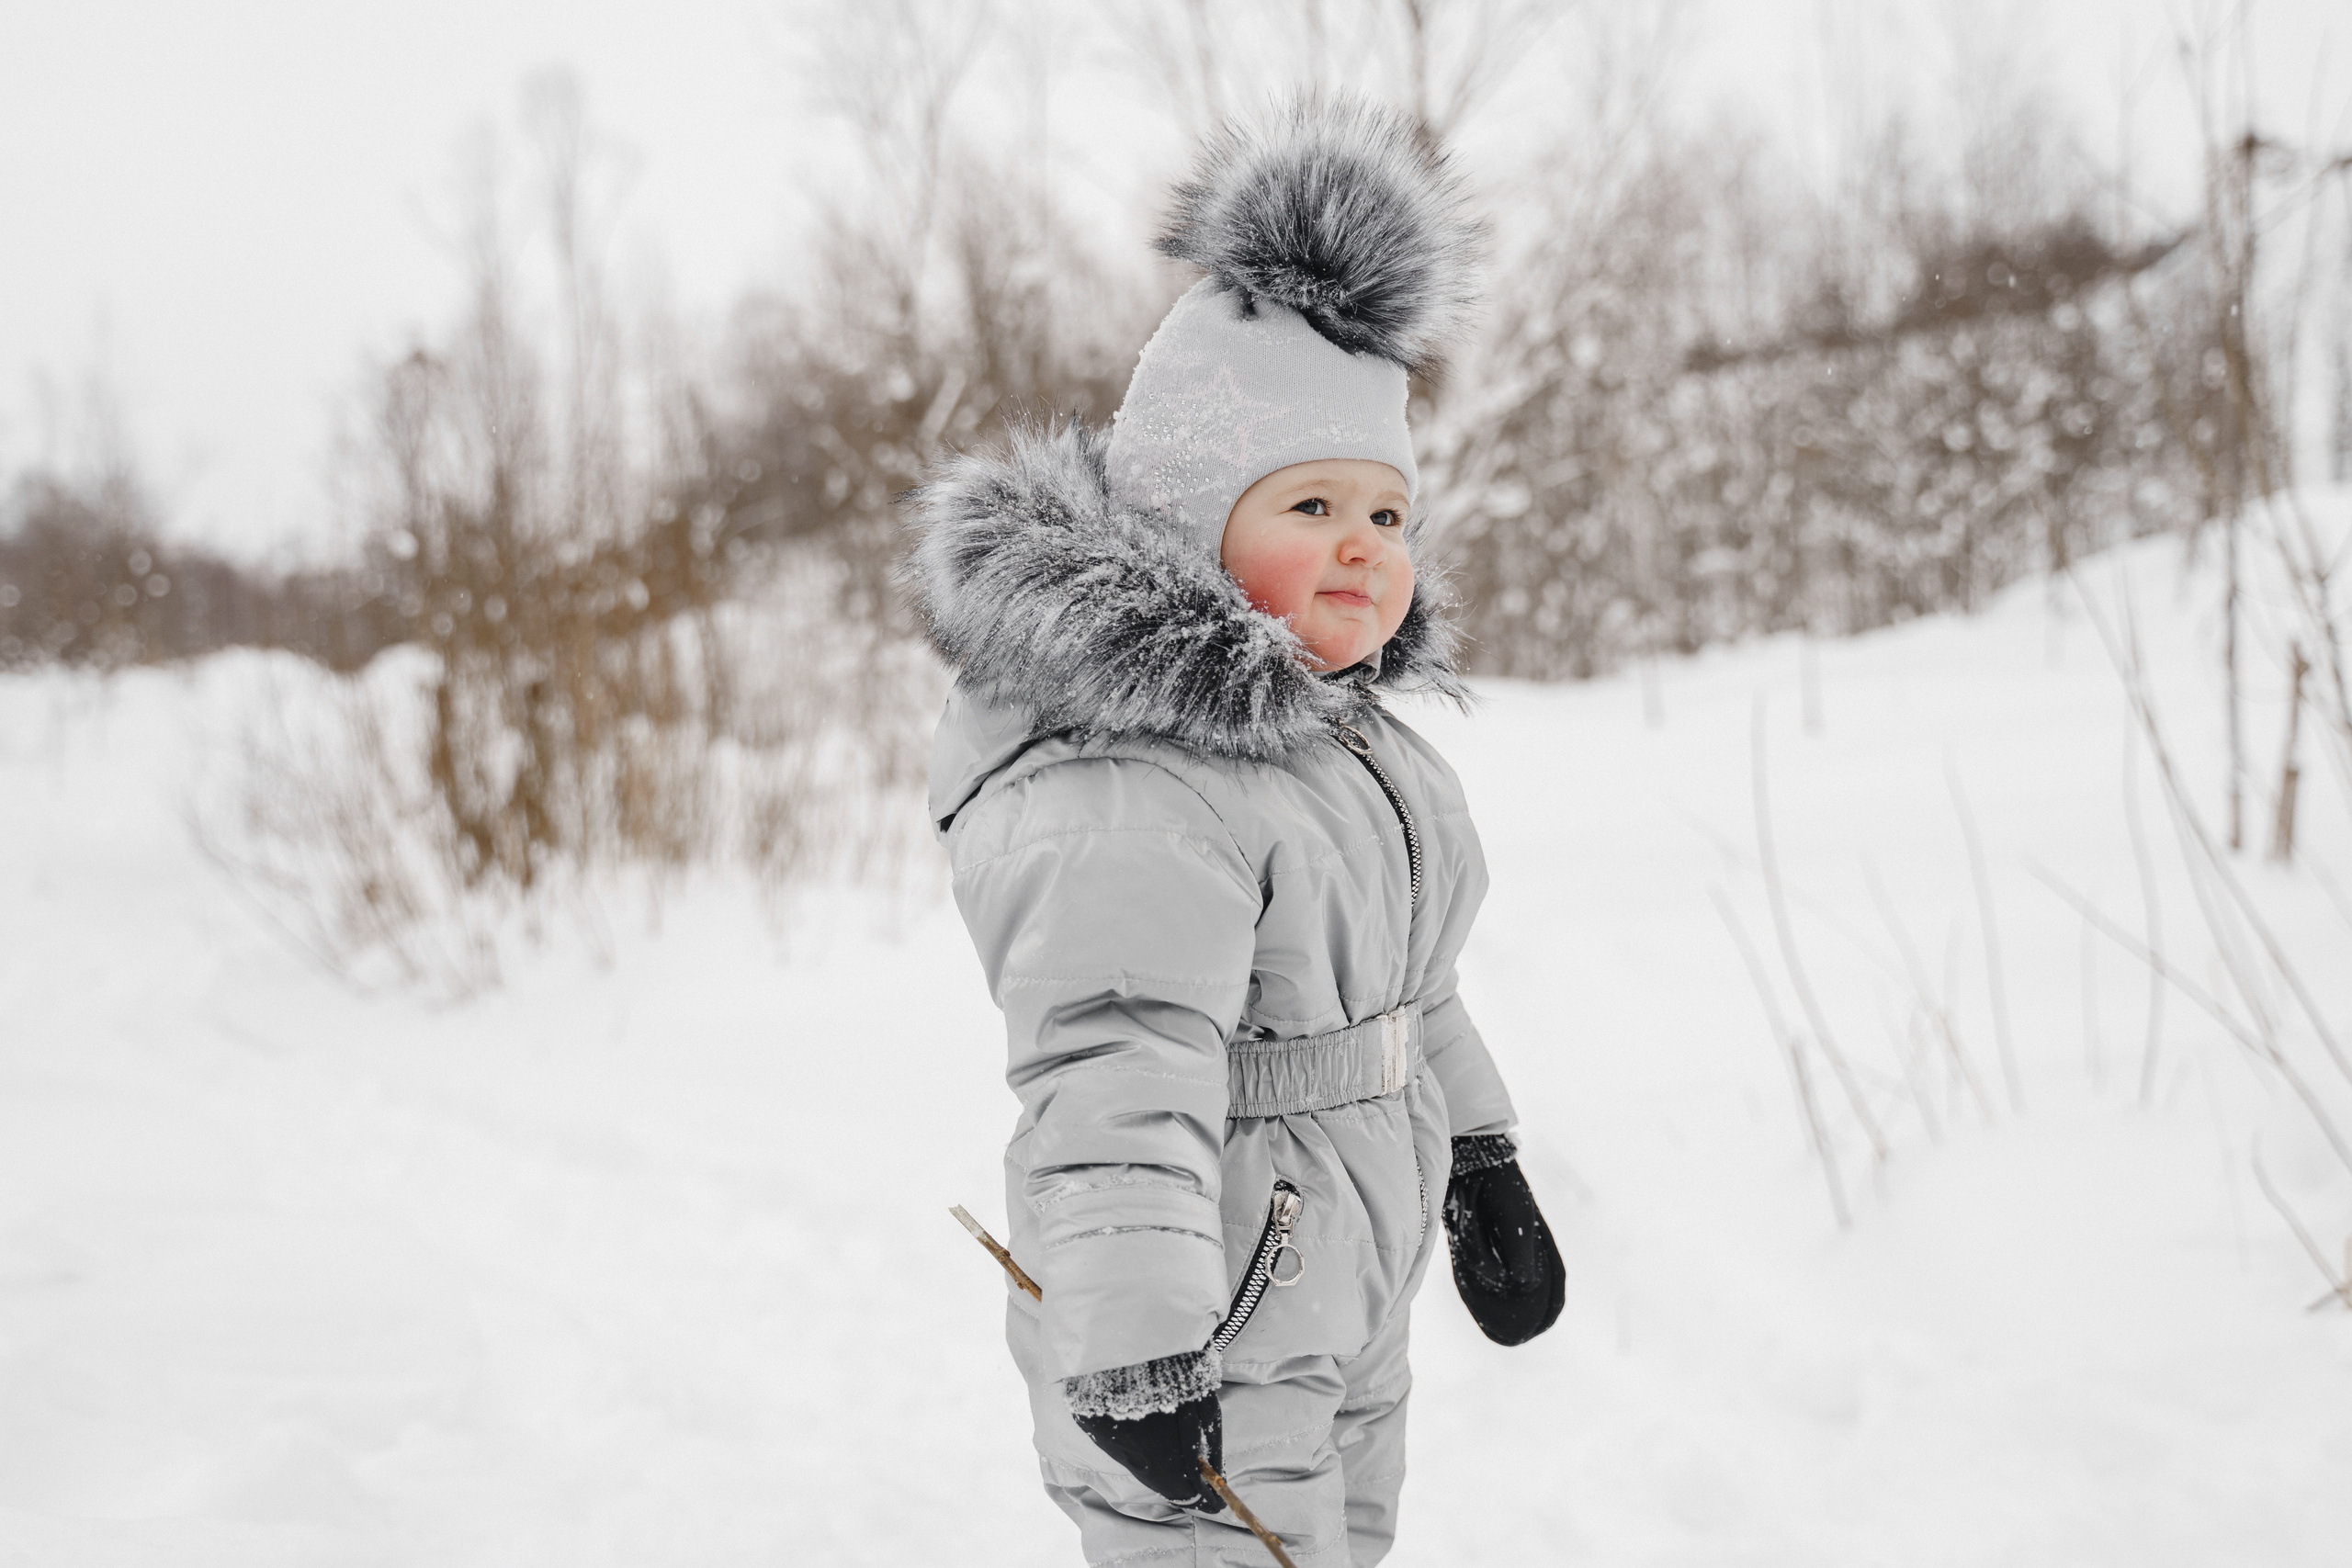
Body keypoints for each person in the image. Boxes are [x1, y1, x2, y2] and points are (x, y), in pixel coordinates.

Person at [908, 95, 1565, 1566]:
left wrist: (1481, 1157)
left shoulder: (1346, 747)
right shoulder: (1126, 788)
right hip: (1207, 1306)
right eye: (1313, 503)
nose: (1364, 548)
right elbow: (1111, 1072)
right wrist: (1138, 1342)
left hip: (1346, 1271)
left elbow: (1414, 988)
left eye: (1387, 515)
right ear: (1194, 530)